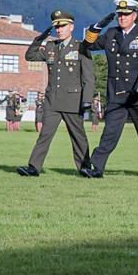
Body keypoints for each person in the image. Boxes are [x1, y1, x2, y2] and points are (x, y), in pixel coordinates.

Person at [81, 0, 138, 179]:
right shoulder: (111, 34)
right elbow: (88, 45)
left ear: (134, 15)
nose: (122, 18)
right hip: (117, 93)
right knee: (109, 133)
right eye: (119, 14)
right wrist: (95, 28)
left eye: (126, 15)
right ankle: (96, 167)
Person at [17, 10, 94, 176]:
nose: (59, 29)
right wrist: (39, 39)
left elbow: (89, 77)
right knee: (45, 134)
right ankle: (34, 167)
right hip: (52, 100)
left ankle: (85, 168)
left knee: (78, 136)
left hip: (73, 100)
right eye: (57, 27)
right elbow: (30, 56)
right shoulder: (51, 46)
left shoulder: (81, 47)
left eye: (63, 26)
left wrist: (87, 100)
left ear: (71, 27)